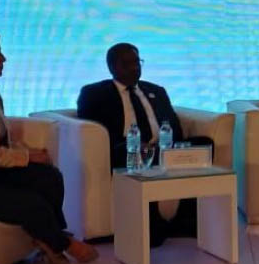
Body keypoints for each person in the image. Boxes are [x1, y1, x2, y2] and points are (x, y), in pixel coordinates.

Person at [0, 27, 98, 264]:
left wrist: (31, 153)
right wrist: (26, 157)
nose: (3, 59)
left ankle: (51, 237)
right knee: (32, 204)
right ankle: (62, 243)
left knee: (50, 177)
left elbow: (2, 137)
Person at [77, 43, 213, 246]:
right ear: (112, 67)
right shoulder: (95, 93)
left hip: (162, 147)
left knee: (204, 144)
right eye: (127, 64)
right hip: (126, 149)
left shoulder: (156, 91)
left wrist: (171, 144)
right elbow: (94, 128)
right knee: (138, 154)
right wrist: (132, 143)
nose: (134, 68)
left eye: (137, 62)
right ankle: (151, 226)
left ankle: (185, 219)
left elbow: (173, 125)